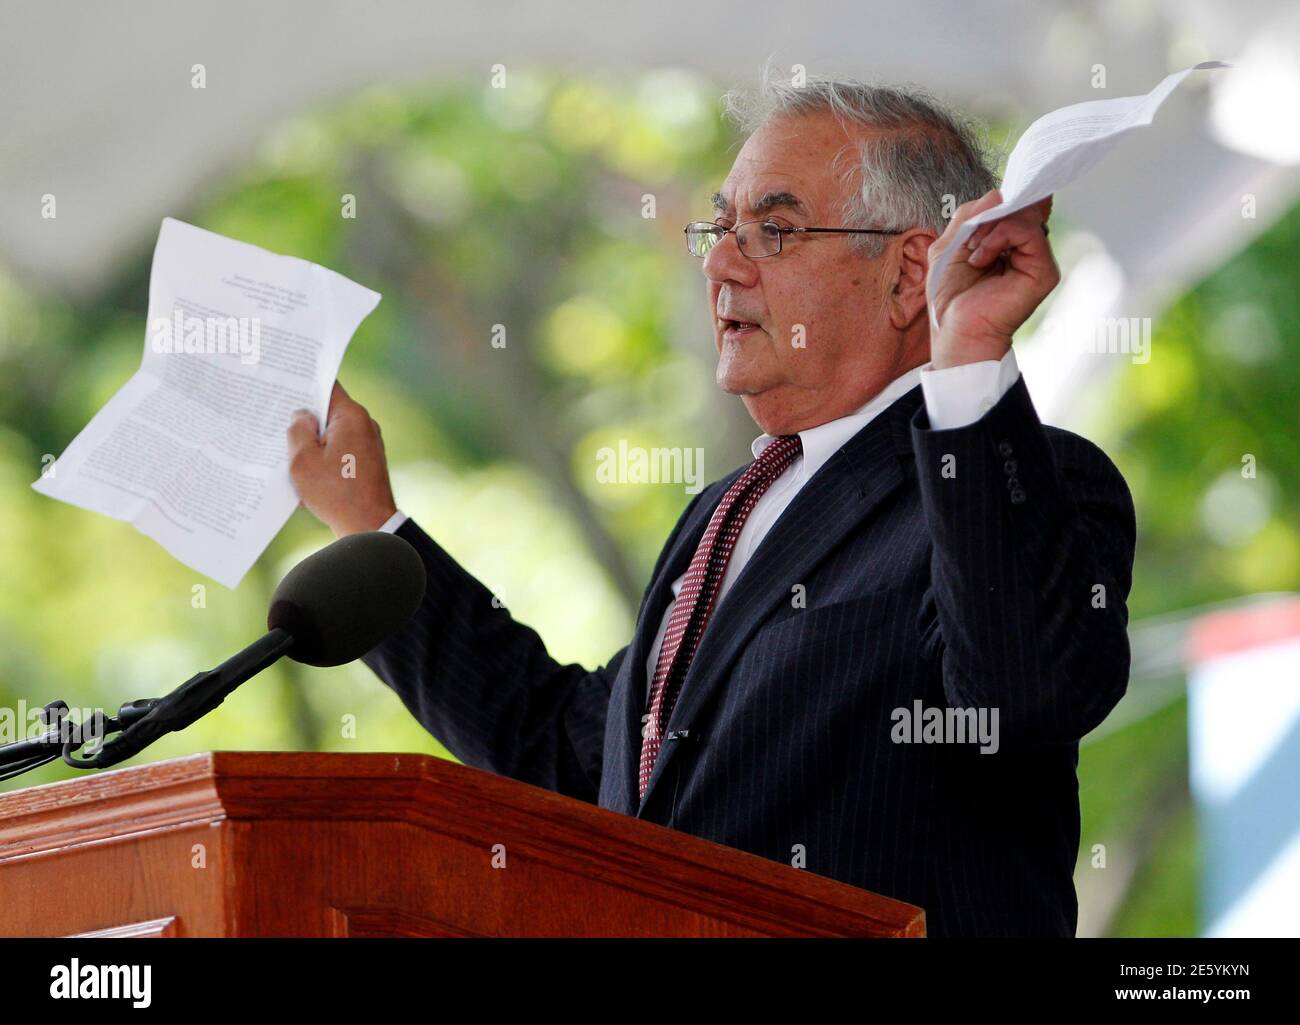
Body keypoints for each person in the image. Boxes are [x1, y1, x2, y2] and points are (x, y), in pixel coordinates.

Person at [287, 74, 1135, 937]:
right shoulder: (724, 513)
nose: (721, 263)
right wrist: (371, 526)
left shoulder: (1032, 483)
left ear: (912, 272)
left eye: (774, 230)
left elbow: (1024, 695)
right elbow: (578, 761)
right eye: (721, 227)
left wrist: (973, 359)